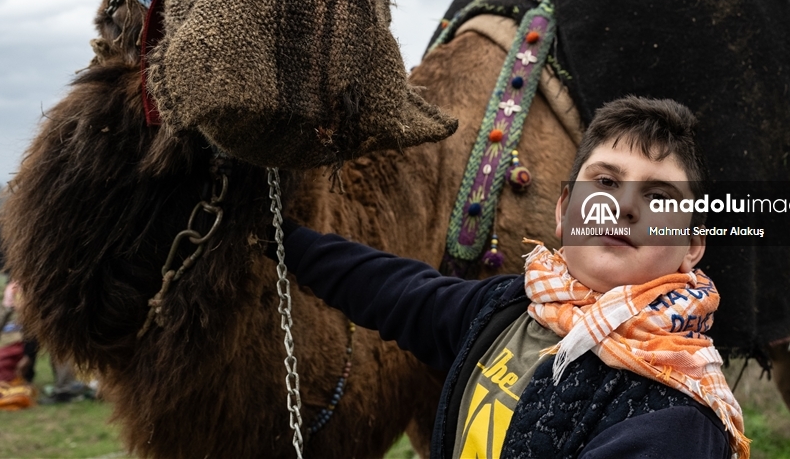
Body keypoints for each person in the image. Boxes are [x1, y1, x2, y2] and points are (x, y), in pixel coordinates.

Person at [271, 96, 748, 459]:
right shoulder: (510, 309)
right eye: (604, 182)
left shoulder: (677, 422)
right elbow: (395, 290)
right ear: (564, 212)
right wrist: (279, 237)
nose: (622, 207)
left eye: (659, 197)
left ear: (692, 245)